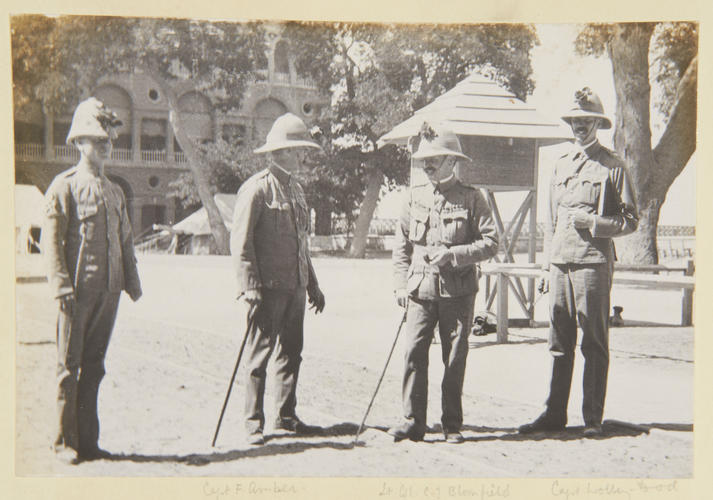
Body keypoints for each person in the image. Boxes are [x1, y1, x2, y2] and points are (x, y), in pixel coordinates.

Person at [519, 87, 638, 437]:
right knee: (558, 342)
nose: (579, 127)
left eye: (586, 121)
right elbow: (551, 223)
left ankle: (592, 419)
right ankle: (554, 414)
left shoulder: (612, 167)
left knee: (594, 343)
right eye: (575, 121)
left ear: (598, 124)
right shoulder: (559, 166)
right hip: (560, 264)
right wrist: (545, 266)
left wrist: (596, 225)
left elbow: (631, 221)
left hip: (592, 264)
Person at [43, 97, 142, 464]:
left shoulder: (114, 191)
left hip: (109, 291)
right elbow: (50, 242)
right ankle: (64, 442)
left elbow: (126, 240)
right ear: (79, 143)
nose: (105, 146)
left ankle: (88, 441)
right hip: (77, 293)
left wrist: (131, 282)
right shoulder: (63, 187)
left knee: (95, 367)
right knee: (69, 368)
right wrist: (62, 286)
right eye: (98, 140)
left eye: (108, 140)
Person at [389, 122, 498, 444]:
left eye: (434, 158)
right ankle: (413, 422)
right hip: (420, 291)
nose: (427, 164)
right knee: (413, 354)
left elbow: (491, 243)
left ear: (452, 160)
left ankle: (452, 424)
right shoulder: (413, 197)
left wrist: (453, 254)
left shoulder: (472, 198)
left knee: (453, 358)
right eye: (424, 159)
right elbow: (402, 246)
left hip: (458, 291)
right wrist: (399, 285)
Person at [230, 112, 326, 446]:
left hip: (295, 288)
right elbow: (241, 244)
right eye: (297, 150)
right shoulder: (256, 190)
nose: (302, 156)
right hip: (267, 291)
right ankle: (253, 423)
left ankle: (286, 417)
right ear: (280, 152)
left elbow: (302, 244)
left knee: (291, 353)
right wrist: (249, 286)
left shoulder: (297, 191)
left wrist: (312, 284)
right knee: (259, 356)